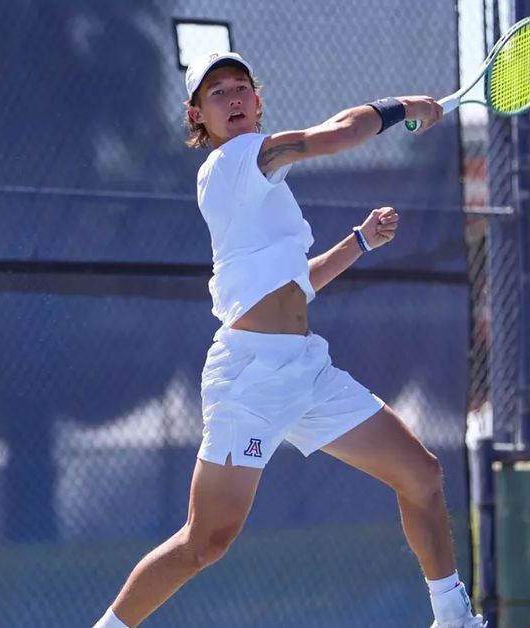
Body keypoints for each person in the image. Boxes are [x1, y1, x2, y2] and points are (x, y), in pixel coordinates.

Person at [90, 51, 484, 628]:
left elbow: (295, 285)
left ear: (257, 101)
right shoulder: (236, 161)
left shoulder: (263, 188)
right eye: (217, 92)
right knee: (206, 541)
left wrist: (359, 242)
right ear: (197, 115)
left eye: (240, 87)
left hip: (307, 370)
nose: (232, 98)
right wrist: (405, 107)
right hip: (250, 377)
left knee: (421, 475)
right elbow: (337, 134)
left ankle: (454, 619)